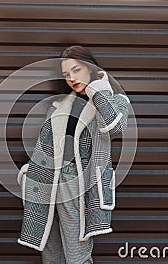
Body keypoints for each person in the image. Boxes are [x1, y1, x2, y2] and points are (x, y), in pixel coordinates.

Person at [16, 45, 131, 263]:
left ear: (90, 68)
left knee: (76, 256)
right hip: (47, 181)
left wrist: (99, 87)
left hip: (78, 184)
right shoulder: (60, 105)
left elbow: (114, 126)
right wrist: (29, 171)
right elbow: (46, 147)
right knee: (51, 255)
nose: (71, 78)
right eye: (67, 74)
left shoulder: (114, 101)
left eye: (76, 70)